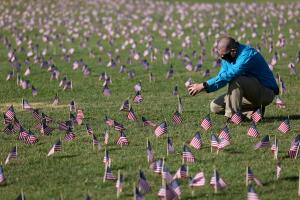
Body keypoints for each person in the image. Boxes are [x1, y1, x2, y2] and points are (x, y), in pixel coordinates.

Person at [188, 36, 279, 119]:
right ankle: (252, 113)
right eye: (221, 55)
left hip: (265, 92)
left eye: (224, 55)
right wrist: (204, 87)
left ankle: (234, 117)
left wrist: (204, 85)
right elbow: (222, 78)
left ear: (233, 51)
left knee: (236, 80)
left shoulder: (247, 55)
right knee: (215, 106)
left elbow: (231, 74)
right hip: (248, 95)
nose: (223, 58)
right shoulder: (228, 57)